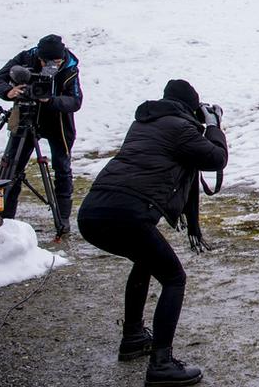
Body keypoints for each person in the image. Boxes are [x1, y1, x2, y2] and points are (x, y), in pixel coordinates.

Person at [78, 79, 228, 387]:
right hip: (128, 214)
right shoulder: (181, 129)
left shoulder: (144, 124)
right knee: (174, 278)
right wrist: (213, 125)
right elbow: (216, 158)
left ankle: (133, 335)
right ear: (191, 107)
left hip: (93, 210)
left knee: (145, 260)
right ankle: (161, 363)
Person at [0, 34, 83, 233]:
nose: (52, 65)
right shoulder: (26, 57)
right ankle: (2, 220)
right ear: (39, 57)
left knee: (62, 168)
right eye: (46, 62)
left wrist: (50, 100)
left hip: (58, 121)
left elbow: (75, 101)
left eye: (56, 62)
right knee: (10, 167)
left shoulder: (70, 66)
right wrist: (8, 92)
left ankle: (63, 219)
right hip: (24, 116)